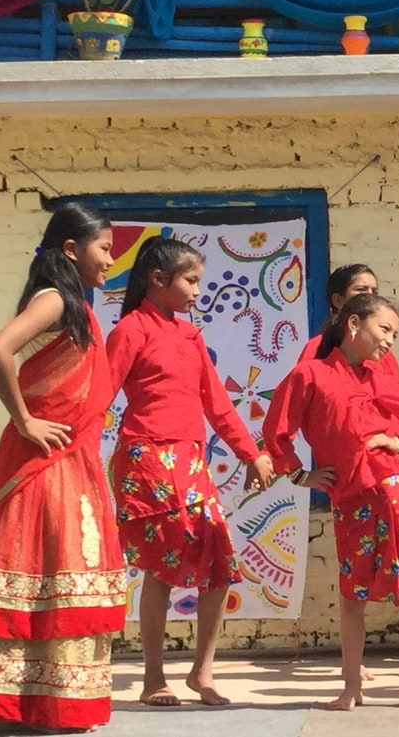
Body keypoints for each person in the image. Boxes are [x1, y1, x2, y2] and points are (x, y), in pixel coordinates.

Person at [106, 236, 275, 707]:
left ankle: (202, 671)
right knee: (161, 568)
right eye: (191, 280)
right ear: (158, 280)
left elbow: (216, 403)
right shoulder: (131, 331)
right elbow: (100, 394)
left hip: (190, 459)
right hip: (147, 460)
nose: (199, 291)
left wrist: (250, 452)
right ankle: (153, 677)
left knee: (219, 562)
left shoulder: (189, 334)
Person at [0, 203, 126, 731]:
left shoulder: (75, 305)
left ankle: (54, 703)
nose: (111, 260)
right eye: (104, 248)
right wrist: (24, 421)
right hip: (45, 460)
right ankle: (25, 704)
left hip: (71, 459)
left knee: (63, 573)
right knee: (51, 569)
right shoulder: (54, 298)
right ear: (71, 249)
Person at [263, 292, 399, 710]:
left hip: (396, 486)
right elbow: (277, 431)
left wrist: (398, 441)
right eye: (384, 330)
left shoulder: (379, 376)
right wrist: (300, 474)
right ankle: (350, 687)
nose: (388, 342)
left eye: (395, 335)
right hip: (350, 494)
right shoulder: (309, 375)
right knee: (352, 590)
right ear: (353, 325)